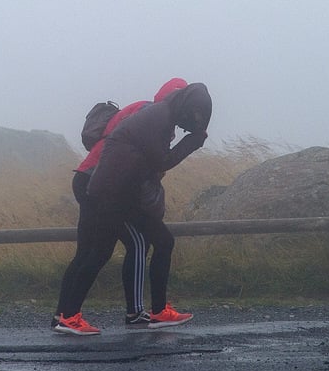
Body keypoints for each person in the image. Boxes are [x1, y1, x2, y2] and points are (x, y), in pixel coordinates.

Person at [53, 82, 211, 336]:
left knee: (92, 251)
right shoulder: (152, 113)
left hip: (101, 182)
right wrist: (191, 143)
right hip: (106, 185)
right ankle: (125, 313)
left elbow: (143, 159)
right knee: (115, 248)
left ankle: (64, 315)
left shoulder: (153, 113)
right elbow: (157, 161)